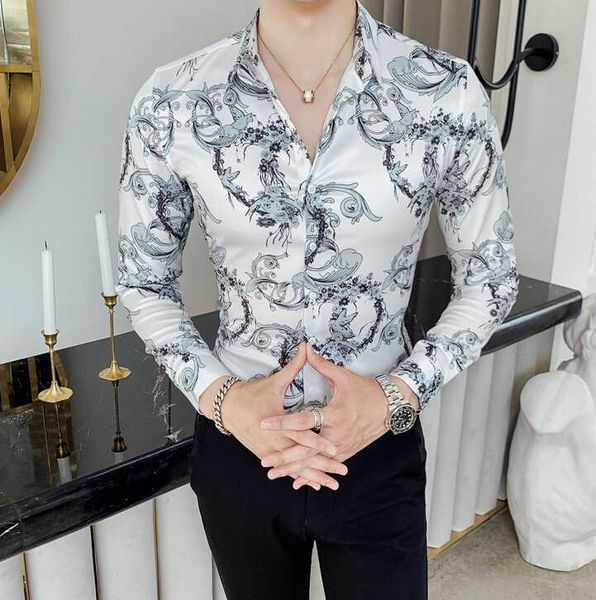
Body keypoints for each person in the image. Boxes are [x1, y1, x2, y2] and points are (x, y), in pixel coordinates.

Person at [116, 0, 519, 597]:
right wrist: (224, 400)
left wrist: (397, 396)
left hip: (378, 444)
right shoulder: (172, 98)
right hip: (241, 442)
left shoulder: (446, 92)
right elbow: (144, 283)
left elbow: (491, 279)